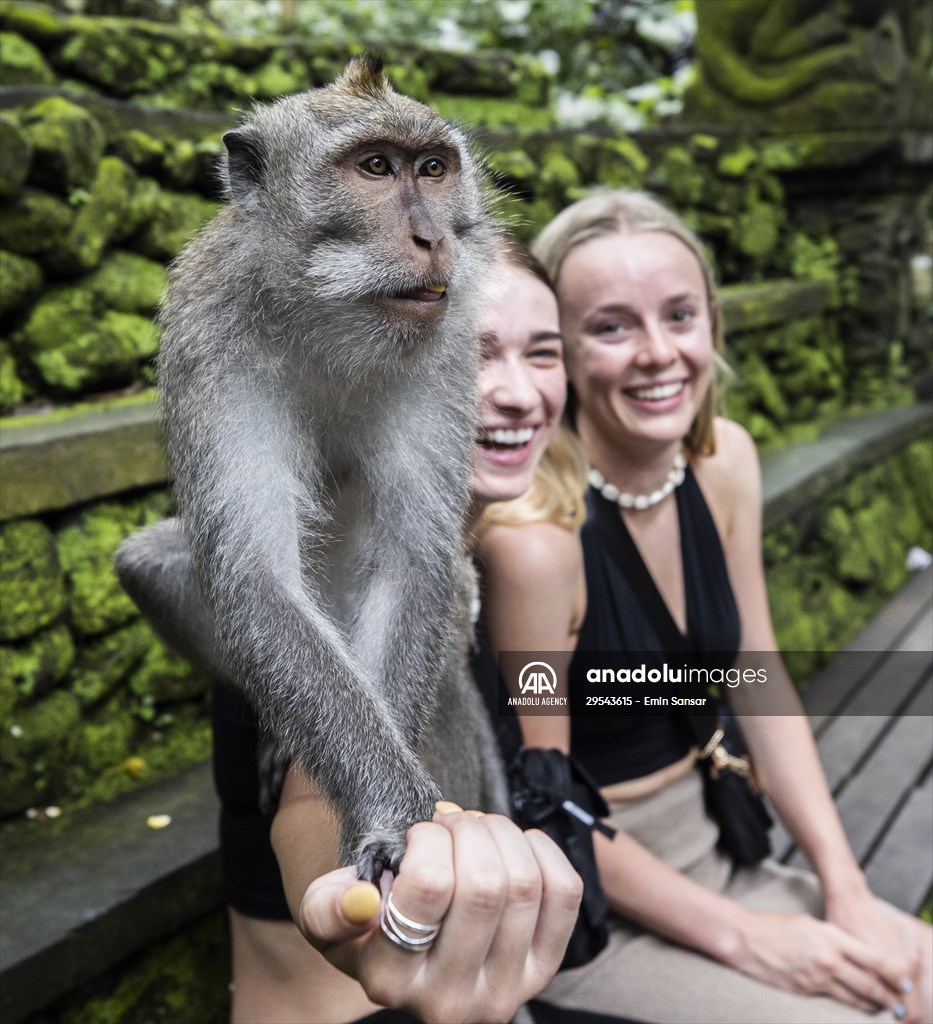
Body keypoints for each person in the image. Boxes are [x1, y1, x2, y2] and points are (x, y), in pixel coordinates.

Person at [473, 190, 932, 1024]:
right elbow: (544, 809)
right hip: (602, 908)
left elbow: (758, 685)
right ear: (561, 352)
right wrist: (748, 940)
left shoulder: (722, 464)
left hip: (725, 853)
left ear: (712, 324)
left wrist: (846, 887)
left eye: (679, 315)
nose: (657, 353)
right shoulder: (532, 544)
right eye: (611, 327)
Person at [213, 239, 586, 1024]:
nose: (516, 392)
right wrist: (364, 905)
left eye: (542, 354)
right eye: (472, 352)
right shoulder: (333, 565)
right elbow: (314, 797)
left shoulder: (486, 544)